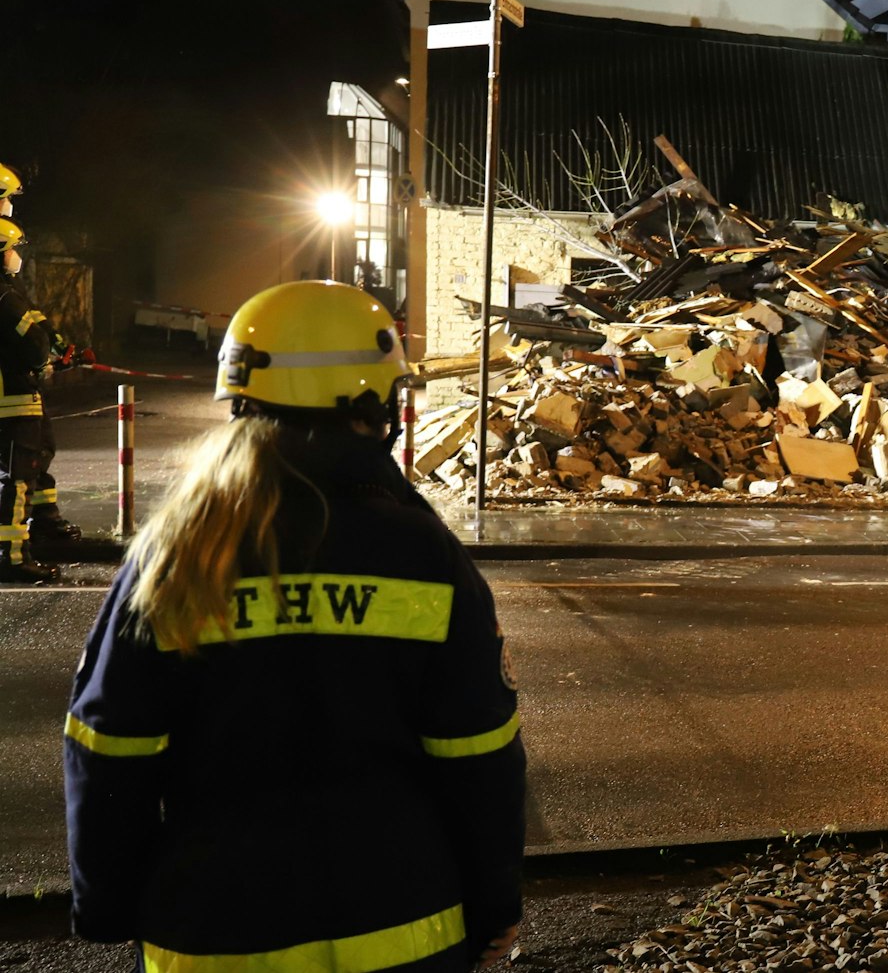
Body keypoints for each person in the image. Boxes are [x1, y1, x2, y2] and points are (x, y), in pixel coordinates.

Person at [64, 280, 526, 971]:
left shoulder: (173, 554)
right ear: (374, 406)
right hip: (403, 929)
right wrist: (495, 904)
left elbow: (109, 750)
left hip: (209, 935)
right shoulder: (422, 553)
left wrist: (108, 905)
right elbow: (479, 755)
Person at [0, 164, 82, 583]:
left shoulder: (7, 290)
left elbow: (30, 319)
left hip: (17, 397)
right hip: (11, 398)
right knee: (16, 477)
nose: (10, 206)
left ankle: (44, 522)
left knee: (35, 458)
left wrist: (55, 338)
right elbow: (26, 339)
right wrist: (44, 356)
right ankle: (11, 556)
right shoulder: (1, 293)